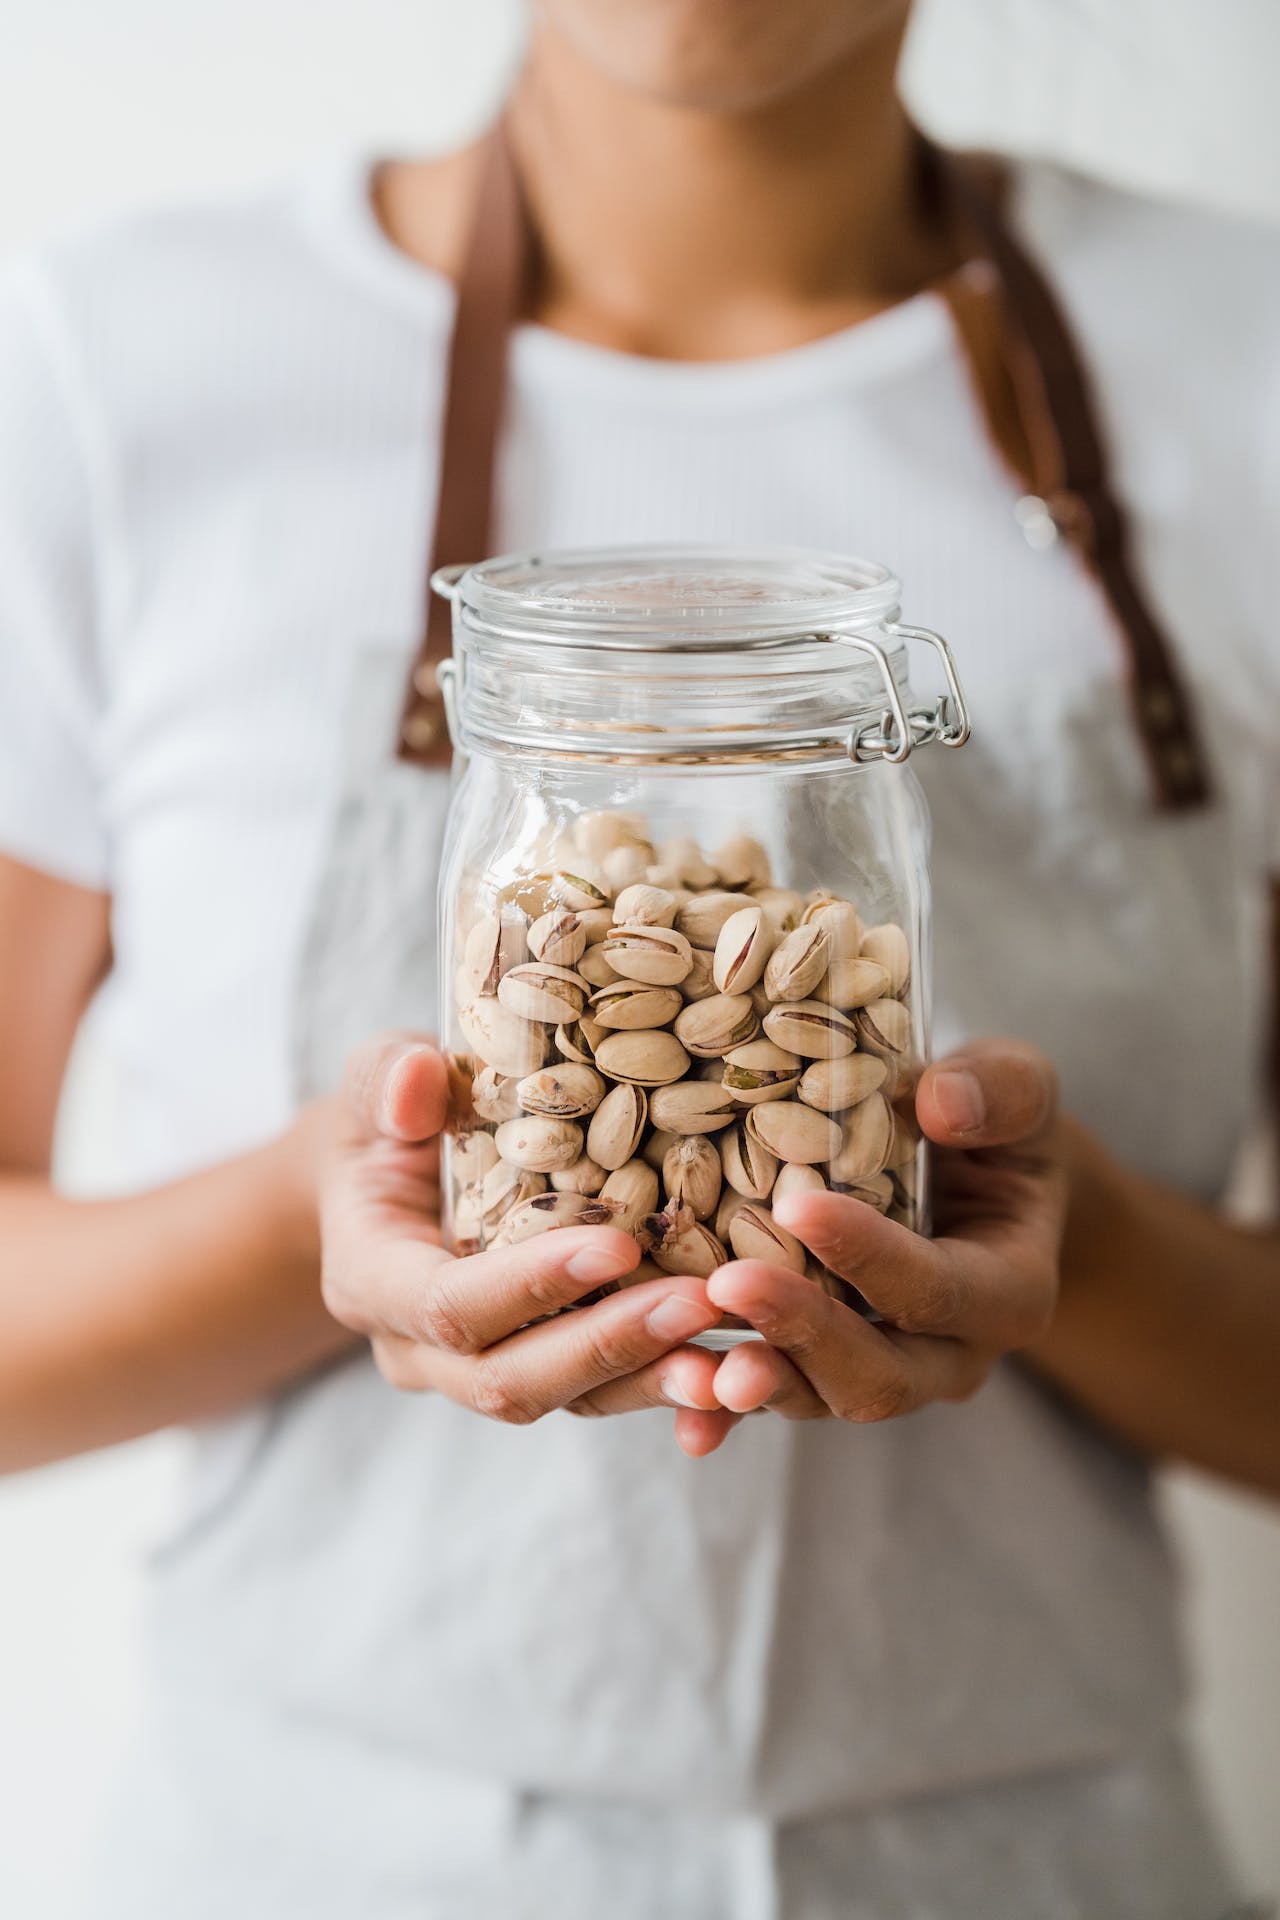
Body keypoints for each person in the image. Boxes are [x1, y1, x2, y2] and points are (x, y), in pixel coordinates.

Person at [1, 2, 1278, 1913]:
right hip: (323, 1857)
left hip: (1040, 1859)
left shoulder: (1239, 350)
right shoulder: (110, 364)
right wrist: (346, 1215)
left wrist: (1060, 1236)